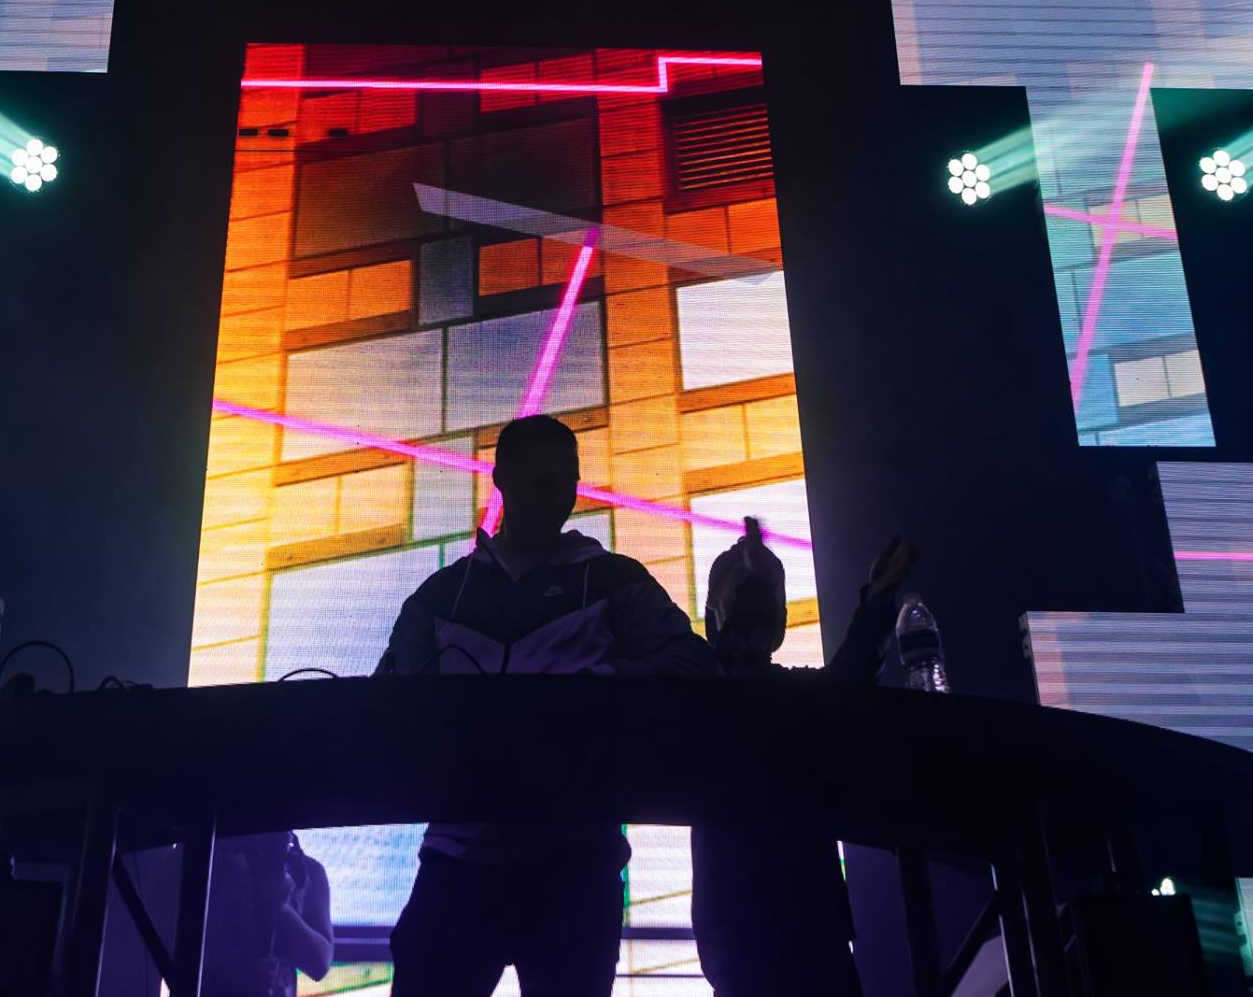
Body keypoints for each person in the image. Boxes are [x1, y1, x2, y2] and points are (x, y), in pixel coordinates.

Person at [376, 413, 716, 997]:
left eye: (565, 479)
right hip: (461, 863)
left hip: (575, 863)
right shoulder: (442, 595)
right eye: (540, 477)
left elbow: (690, 662)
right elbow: (386, 701)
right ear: (501, 478)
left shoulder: (613, 580)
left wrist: (597, 686)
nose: (556, 493)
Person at [689, 526, 919, 997]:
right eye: (748, 591)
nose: (756, 600)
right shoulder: (704, 697)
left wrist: (878, 599)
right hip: (778, 946)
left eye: (764, 593)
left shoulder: (788, 698)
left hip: (787, 945)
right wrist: (877, 599)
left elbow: (847, 679)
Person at [135, 830, 332, 997]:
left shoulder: (307, 871)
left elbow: (319, 964)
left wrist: (277, 905)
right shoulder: (199, 855)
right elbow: (154, 935)